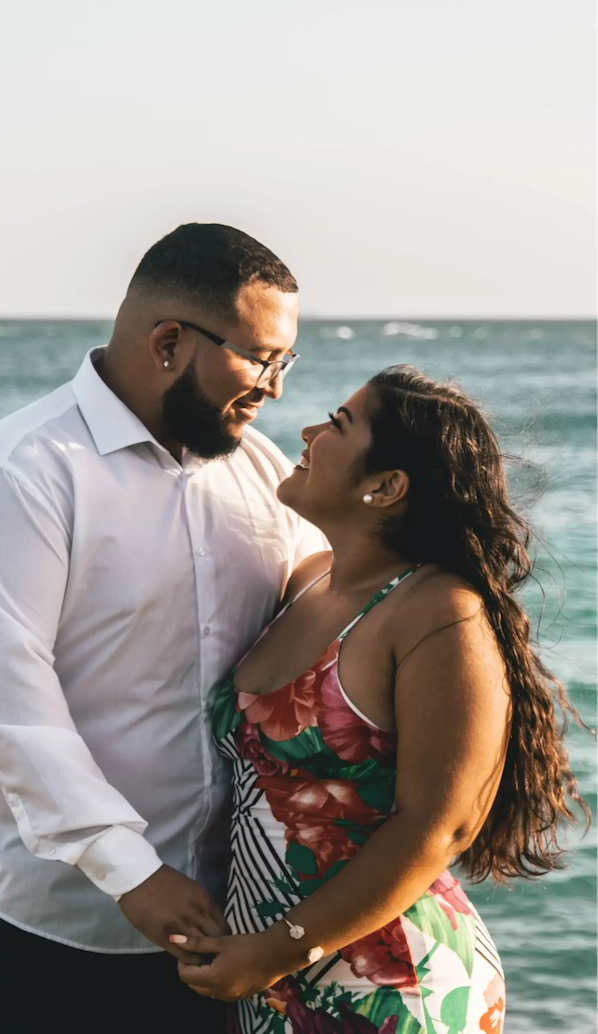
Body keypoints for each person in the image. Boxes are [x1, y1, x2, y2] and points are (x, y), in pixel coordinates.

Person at [0, 223, 327, 1034]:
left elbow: (333, 598)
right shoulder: (20, 473)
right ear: (170, 342)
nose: (276, 388)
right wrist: (130, 871)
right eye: (260, 359)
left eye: (286, 362)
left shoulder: (258, 469)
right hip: (34, 926)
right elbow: (5, 699)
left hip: (214, 926)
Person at [173, 366, 589, 1034]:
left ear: (386, 486)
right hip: (278, 978)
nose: (307, 431)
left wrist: (274, 951)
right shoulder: (308, 582)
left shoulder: (437, 610)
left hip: (392, 985)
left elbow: (438, 826)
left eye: (338, 424)